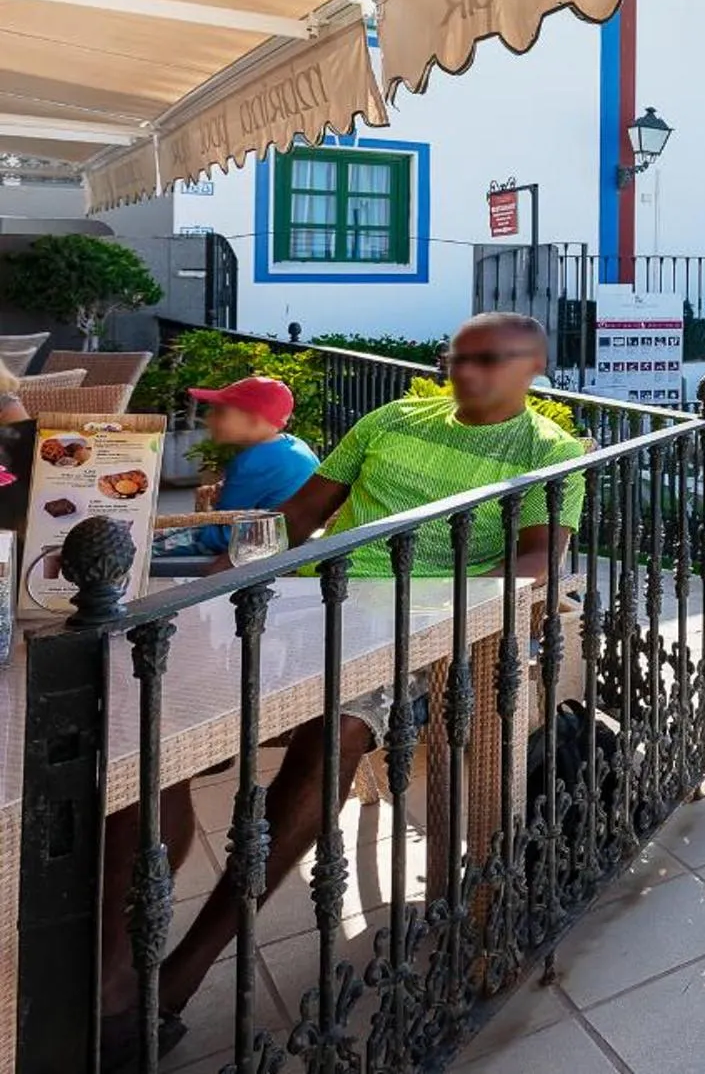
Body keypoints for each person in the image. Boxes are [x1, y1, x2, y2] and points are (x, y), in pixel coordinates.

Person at [102, 313, 584, 1065]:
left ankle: (180, 977)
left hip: (409, 633)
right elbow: (297, 517)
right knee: (157, 728)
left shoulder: (548, 452)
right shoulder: (391, 416)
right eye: (455, 356)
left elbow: (535, 563)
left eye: (488, 359)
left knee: (334, 741)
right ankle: (114, 979)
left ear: (530, 367)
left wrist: (428, 617)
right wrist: (222, 583)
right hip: (303, 603)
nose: (464, 370)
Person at [182, 374, 319, 554]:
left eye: (220, 413)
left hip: (256, 547)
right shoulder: (293, 445)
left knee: (147, 543)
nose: (209, 419)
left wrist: (205, 511)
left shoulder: (252, 461)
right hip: (297, 540)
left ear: (254, 421)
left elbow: (221, 525)